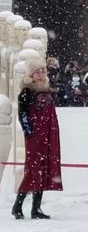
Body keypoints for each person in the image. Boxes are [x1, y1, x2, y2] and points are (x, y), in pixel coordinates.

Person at [12, 59, 63, 220]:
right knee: (34, 170)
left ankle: (36, 208)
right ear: (31, 74)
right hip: (35, 136)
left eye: (42, 71)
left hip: (48, 134)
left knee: (43, 168)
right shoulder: (27, 92)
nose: (41, 74)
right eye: (37, 71)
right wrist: (29, 131)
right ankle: (17, 206)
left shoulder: (48, 90)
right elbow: (23, 114)